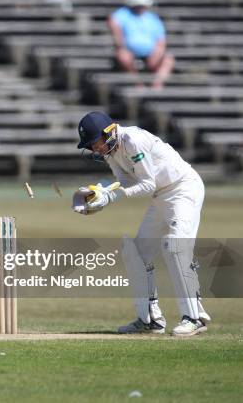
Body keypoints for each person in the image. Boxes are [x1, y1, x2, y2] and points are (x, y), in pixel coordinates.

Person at [73, 111, 210, 337]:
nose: (95, 148)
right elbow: (125, 180)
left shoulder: (132, 140)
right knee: (136, 252)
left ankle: (194, 317)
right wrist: (101, 192)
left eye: (95, 142)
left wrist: (113, 196)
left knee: (175, 247)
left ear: (108, 132)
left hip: (183, 188)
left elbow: (147, 184)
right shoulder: (110, 151)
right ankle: (150, 320)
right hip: (160, 195)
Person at [108, 0, 174, 89]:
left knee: (168, 59)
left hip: (151, 53)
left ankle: (157, 85)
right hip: (128, 51)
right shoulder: (120, 15)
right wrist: (122, 46)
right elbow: (117, 34)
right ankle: (137, 84)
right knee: (123, 56)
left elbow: (161, 41)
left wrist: (158, 52)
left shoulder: (153, 18)